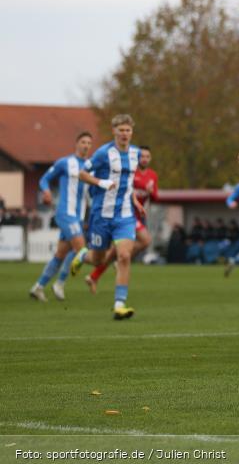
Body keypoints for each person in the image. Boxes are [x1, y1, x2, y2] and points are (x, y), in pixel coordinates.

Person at [70, 115, 145, 319]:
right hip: (101, 215)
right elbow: (82, 174)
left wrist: (136, 201)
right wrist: (102, 183)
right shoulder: (103, 153)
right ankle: (82, 255)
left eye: (127, 130)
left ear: (132, 132)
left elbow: (127, 183)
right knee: (97, 260)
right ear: (114, 131)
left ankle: (119, 304)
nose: (124, 134)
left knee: (124, 256)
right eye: (120, 130)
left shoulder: (135, 153)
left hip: (125, 216)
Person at [29, 132, 93, 302]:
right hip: (65, 212)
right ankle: (60, 283)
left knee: (61, 254)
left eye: (89, 143)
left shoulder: (89, 165)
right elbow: (44, 179)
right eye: (83, 142)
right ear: (76, 143)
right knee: (81, 249)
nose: (86, 145)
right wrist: (47, 191)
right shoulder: (65, 162)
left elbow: (92, 190)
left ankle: (38, 287)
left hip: (79, 216)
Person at [85, 146, 159, 293]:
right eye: (142, 156)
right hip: (125, 213)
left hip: (138, 214)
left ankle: (94, 276)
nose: (144, 159)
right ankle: (100, 261)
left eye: (147, 156)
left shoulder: (152, 175)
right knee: (145, 240)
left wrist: (151, 192)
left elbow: (155, 197)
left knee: (115, 254)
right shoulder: (130, 171)